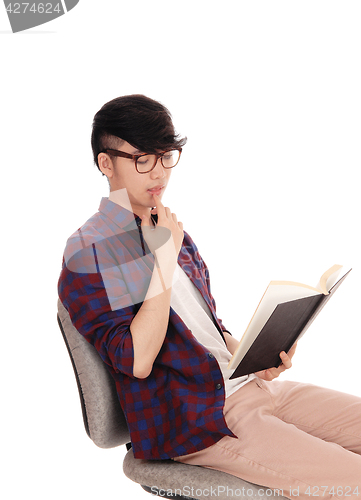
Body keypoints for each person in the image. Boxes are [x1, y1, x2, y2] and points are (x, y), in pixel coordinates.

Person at [58, 94, 361, 499]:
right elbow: (138, 361)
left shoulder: (170, 229)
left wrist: (257, 358)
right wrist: (161, 261)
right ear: (106, 163)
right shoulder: (90, 251)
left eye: (166, 156)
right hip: (200, 419)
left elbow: (208, 333)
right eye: (142, 159)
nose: (159, 172)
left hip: (252, 388)